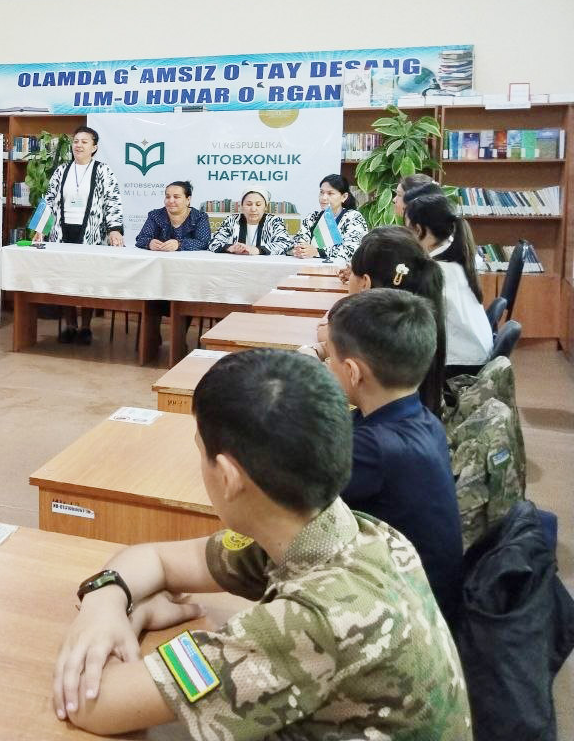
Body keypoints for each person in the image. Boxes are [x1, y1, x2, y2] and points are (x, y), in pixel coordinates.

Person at [49, 348, 471, 738]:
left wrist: (131, 615)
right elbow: (159, 558)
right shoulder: (342, 529)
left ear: (228, 477)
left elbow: (91, 702)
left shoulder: (309, 625)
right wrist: (104, 601)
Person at [325, 289, 465, 627]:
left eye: (328, 357)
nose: (326, 366)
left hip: (408, 621)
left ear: (353, 372)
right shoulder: (422, 419)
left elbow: (288, 491)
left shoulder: (373, 450)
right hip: (430, 601)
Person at [314, 226, 447, 415]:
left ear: (365, 283)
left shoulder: (376, 334)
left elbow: (326, 330)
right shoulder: (413, 319)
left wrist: (313, 358)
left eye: (352, 272)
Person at [41, 127, 125, 344]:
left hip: (91, 233)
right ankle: (70, 325)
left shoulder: (103, 170)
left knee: (88, 280)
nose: (78, 145)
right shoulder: (62, 170)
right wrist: (40, 229)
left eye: (84, 142)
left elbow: (112, 201)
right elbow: (48, 200)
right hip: (62, 232)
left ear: (94, 147)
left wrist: (115, 229)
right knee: (65, 280)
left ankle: (86, 327)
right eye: (76, 141)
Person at [404, 191, 492, 373]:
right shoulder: (455, 259)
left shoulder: (437, 271)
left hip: (458, 365)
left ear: (419, 230)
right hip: (474, 356)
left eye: (408, 230)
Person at [290, 173, 368, 264]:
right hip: (309, 268)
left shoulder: (353, 217)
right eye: (321, 192)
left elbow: (351, 250)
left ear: (344, 197)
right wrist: (300, 249)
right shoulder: (313, 217)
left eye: (330, 193)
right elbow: (297, 242)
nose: (324, 198)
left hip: (342, 270)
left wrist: (317, 252)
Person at [207, 187, 293, 256]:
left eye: (258, 204)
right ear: (242, 206)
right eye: (249, 204)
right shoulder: (232, 220)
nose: (253, 209)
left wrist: (256, 250)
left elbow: (286, 244)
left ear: (265, 207)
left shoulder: (273, 221)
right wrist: (230, 248)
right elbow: (213, 243)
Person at [134, 180, 210, 251]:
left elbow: (204, 242)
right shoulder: (155, 215)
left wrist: (179, 244)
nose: (171, 201)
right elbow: (141, 238)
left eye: (176, 197)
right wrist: (149, 243)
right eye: (167, 197)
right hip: (160, 258)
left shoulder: (200, 217)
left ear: (188, 199)